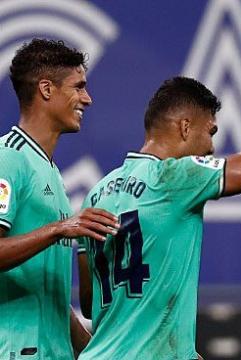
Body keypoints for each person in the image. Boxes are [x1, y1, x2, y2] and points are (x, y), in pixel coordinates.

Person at [76, 41, 241, 359]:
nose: (210, 147)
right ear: (184, 127)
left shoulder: (96, 193)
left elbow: (89, 300)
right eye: (211, 132)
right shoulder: (174, 178)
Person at [0, 39, 119, 359]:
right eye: (78, 87)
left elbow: (51, 299)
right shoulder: (8, 159)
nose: (87, 99)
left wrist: (102, 353)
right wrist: (59, 228)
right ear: (46, 89)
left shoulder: (49, 172)